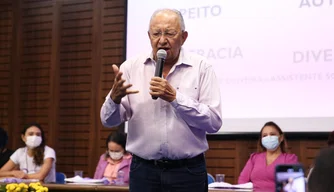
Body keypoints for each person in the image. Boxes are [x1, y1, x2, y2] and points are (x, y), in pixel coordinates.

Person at [100, 8, 222, 192]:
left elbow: (213, 122)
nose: (162, 40)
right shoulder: (131, 67)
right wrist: (114, 99)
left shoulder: (202, 68)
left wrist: (175, 98)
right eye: (156, 33)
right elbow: (108, 120)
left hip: (188, 172)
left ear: (184, 36)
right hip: (144, 171)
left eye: (170, 33)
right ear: (149, 36)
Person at [238, 121, 298, 191]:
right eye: (265, 135)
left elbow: (293, 185)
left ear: (281, 138)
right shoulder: (254, 158)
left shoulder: (289, 159)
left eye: (272, 134)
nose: (268, 137)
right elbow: (242, 181)